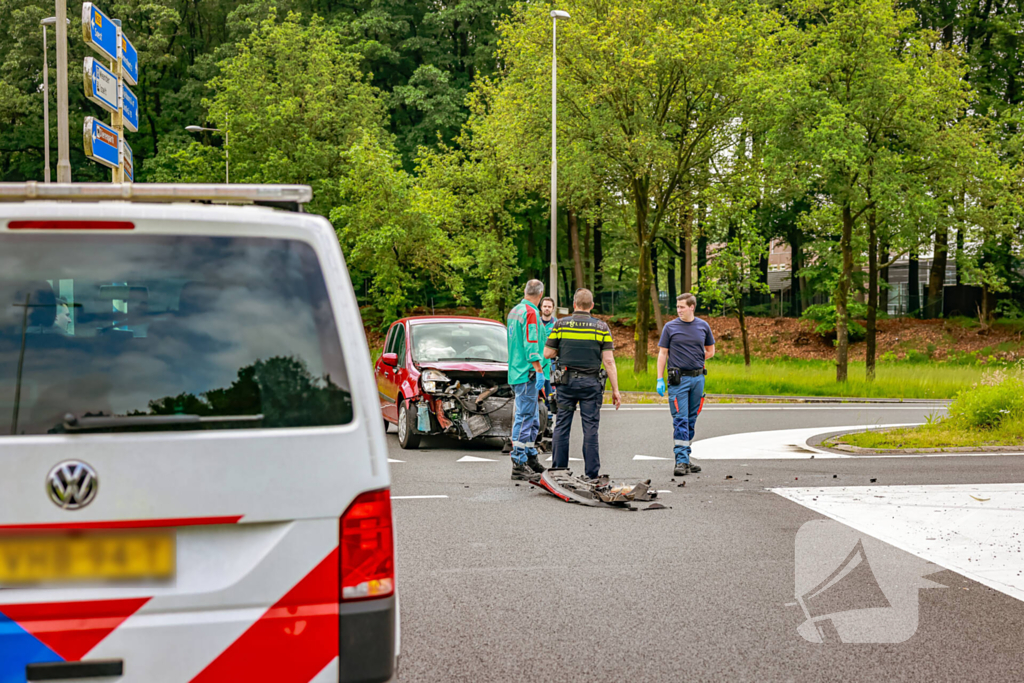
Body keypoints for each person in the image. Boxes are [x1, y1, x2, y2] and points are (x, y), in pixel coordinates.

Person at [544, 288, 621, 480]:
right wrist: (616, 390)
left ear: (574, 304)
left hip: (566, 383)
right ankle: (591, 474)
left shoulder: (561, 325)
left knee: (561, 425)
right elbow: (609, 362)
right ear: (592, 306)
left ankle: (559, 471)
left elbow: (547, 353)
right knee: (590, 429)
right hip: (591, 384)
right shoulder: (601, 327)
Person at [656, 293, 715, 476]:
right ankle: (680, 461)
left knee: (691, 420)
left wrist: (696, 358)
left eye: (682, 307)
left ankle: (686, 458)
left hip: (698, 379)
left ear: (692, 307)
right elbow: (663, 353)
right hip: (678, 381)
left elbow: (710, 351)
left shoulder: (702, 326)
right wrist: (659, 379)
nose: (678, 310)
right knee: (680, 419)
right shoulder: (670, 327)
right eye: (678, 307)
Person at [506, 279, 548, 481]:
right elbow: (531, 345)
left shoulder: (515, 311)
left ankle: (530, 456)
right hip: (527, 373)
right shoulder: (531, 313)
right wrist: (539, 370)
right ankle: (519, 462)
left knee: (532, 418)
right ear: (541, 295)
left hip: (517, 370)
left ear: (525, 291)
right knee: (524, 418)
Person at [539, 296, 557, 407]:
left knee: (551, 393)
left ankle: (549, 415)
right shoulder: (535, 323)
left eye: (549, 307)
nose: (547, 308)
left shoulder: (557, 324)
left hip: (552, 363)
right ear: (541, 307)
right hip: (537, 362)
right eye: (545, 306)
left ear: (553, 308)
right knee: (538, 392)